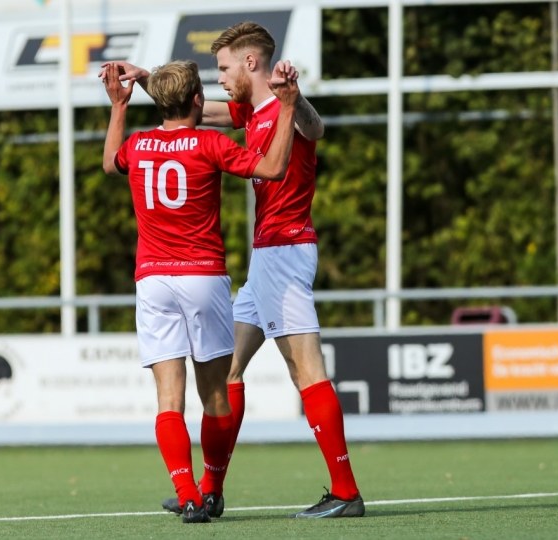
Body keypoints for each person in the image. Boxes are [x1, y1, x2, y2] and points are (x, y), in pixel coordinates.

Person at [106, 21, 364, 519]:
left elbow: (315, 128)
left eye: (224, 67)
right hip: (265, 258)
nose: (219, 78)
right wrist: (145, 79)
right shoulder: (252, 111)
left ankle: (346, 490)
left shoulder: (284, 108)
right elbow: (189, 108)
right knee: (227, 370)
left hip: (286, 252)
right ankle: (211, 490)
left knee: (306, 369)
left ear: (251, 63)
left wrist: (296, 99)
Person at [100, 58, 300, 523]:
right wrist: (287, 108)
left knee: (169, 399)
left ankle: (187, 493)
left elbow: (110, 163)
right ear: (197, 100)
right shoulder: (211, 142)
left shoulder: (139, 144)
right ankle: (210, 488)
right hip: (203, 276)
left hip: (153, 280)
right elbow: (272, 168)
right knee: (216, 395)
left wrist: (118, 105)